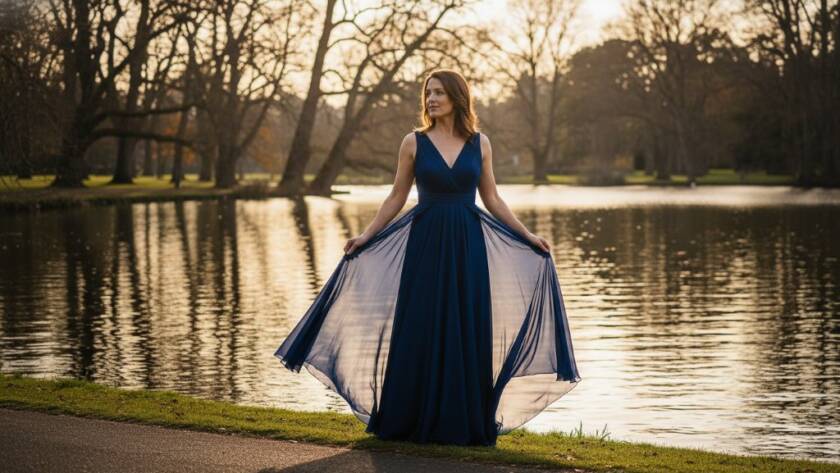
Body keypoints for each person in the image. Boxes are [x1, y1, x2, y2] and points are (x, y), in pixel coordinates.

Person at [275, 69, 580, 447]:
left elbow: (493, 198)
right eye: (428, 93)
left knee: (465, 328)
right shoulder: (413, 143)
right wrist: (366, 235)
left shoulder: (480, 143)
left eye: (438, 93)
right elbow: (396, 197)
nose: (431, 99)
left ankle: (462, 422)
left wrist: (528, 235)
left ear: (456, 96)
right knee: (420, 325)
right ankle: (408, 420)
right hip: (425, 246)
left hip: (468, 248)